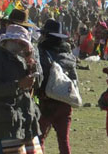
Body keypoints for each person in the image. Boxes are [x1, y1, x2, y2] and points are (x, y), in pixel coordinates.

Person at [0, 21, 43, 152]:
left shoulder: (25, 57)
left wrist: (32, 65)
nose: (23, 47)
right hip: (6, 118)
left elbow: (38, 83)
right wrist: (18, 84)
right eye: (21, 43)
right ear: (11, 41)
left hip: (26, 115)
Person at [37, 19, 78, 154]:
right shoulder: (69, 56)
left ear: (47, 35)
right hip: (65, 102)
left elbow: (39, 77)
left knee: (39, 139)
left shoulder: (42, 53)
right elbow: (74, 79)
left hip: (47, 102)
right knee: (64, 141)